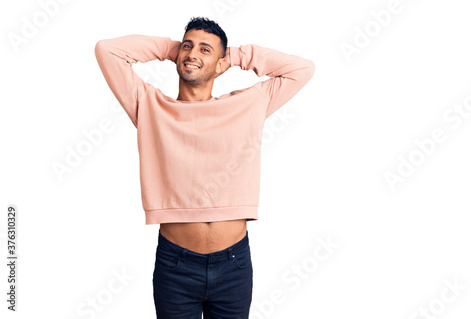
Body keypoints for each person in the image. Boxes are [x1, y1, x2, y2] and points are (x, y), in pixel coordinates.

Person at [94, 16, 314, 319]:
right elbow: (107, 51)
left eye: (204, 49)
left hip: (234, 264)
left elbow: (301, 70)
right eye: (187, 46)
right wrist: (175, 50)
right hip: (176, 266)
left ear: (221, 64)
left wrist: (234, 56)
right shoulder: (150, 106)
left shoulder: (248, 104)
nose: (192, 54)